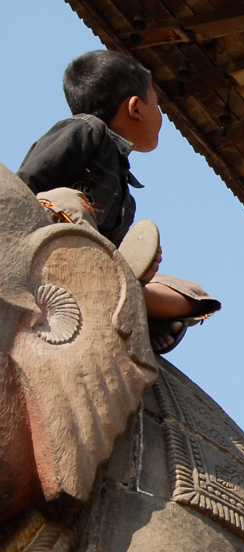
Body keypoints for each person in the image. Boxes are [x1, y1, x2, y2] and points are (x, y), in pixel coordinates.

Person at [17, 50, 218, 352]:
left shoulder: (126, 196)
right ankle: (130, 302)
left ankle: (126, 295)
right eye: (157, 103)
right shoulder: (85, 130)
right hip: (51, 245)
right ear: (135, 107)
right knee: (67, 201)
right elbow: (25, 186)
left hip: (101, 267)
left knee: (194, 295)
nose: (161, 114)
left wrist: (144, 264)